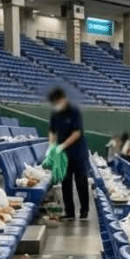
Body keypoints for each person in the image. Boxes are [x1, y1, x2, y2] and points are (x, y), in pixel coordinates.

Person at [48, 87, 89, 220]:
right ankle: (69, 212)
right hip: (63, 155)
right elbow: (52, 131)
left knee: (81, 182)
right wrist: (52, 146)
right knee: (66, 183)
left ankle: (84, 210)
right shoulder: (55, 114)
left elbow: (77, 132)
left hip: (78, 153)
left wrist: (63, 145)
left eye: (57, 102)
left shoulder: (74, 111)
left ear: (63, 99)